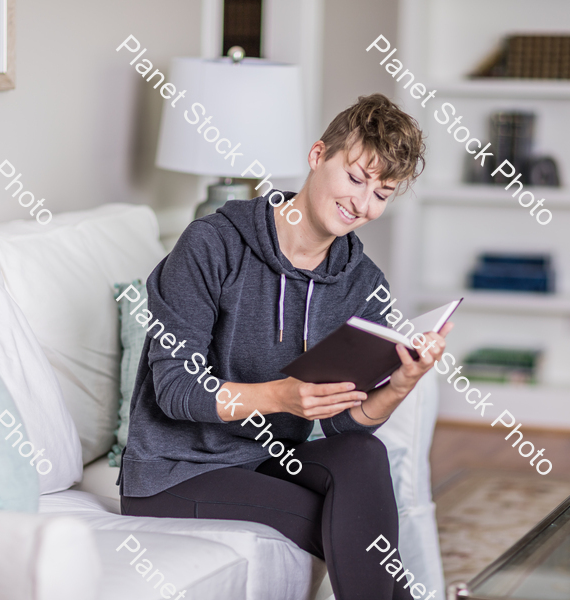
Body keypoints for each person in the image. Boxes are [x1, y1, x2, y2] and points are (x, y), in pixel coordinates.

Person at [118, 93, 452, 600]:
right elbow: (175, 390)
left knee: (363, 454)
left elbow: (342, 422)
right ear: (318, 156)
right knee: (353, 529)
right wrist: (280, 397)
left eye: (382, 194)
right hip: (176, 469)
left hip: (270, 456)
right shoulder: (212, 245)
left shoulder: (361, 281)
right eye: (356, 179)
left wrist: (401, 383)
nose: (362, 205)